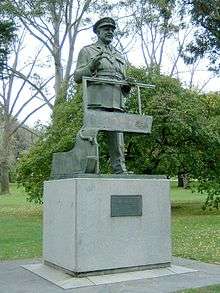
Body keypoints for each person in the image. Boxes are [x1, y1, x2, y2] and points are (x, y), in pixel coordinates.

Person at [74, 17, 131, 174]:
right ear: (98, 32)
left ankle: (120, 169)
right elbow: (77, 77)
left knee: (118, 140)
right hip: (96, 101)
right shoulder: (87, 51)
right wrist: (91, 66)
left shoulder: (120, 55)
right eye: (106, 29)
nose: (110, 31)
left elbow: (122, 82)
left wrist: (128, 85)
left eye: (112, 29)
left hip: (117, 103)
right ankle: (89, 169)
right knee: (90, 137)